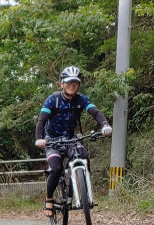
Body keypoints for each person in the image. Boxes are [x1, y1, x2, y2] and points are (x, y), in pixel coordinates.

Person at [35, 66, 112, 216]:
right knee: (56, 169)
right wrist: (39, 138)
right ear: (62, 84)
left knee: (83, 155)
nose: (72, 85)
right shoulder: (53, 99)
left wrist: (105, 125)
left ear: (78, 85)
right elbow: (41, 121)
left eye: (75, 83)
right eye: (68, 82)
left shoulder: (81, 99)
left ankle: (78, 183)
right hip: (52, 141)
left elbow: (95, 112)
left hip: (71, 138)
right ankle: (49, 199)